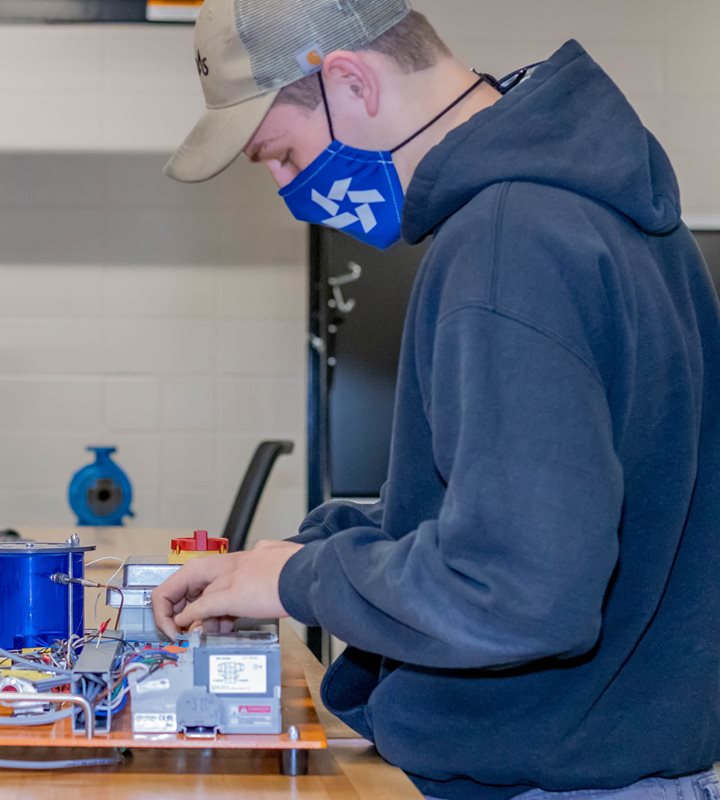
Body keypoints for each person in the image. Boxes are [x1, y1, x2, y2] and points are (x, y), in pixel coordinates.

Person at [153, 1, 720, 798]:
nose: (289, 189)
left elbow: (517, 592)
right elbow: (518, 516)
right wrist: (278, 562)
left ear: (349, 80)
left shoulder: (505, 241)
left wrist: (301, 583)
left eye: (280, 155)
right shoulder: (599, 203)